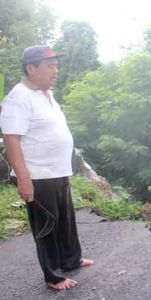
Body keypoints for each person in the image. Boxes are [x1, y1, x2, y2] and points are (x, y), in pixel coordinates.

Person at [0, 45, 94, 290]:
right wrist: (24, 178)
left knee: (65, 220)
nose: (55, 71)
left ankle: (71, 260)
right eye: (49, 66)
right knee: (47, 226)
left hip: (57, 171)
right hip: (38, 174)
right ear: (31, 69)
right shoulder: (18, 97)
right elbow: (11, 140)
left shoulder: (45, 93)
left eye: (56, 65)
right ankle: (53, 276)